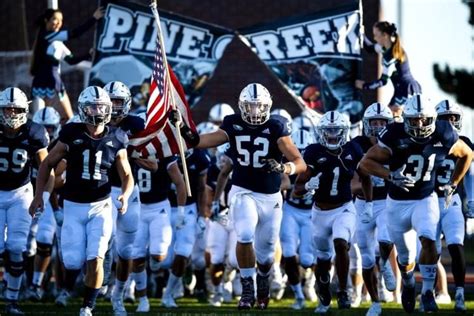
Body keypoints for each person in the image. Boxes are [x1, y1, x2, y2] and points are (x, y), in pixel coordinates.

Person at [196, 83, 306, 310]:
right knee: (244, 235)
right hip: (243, 191)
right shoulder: (232, 123)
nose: (255, 112)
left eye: (259, 107)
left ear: (268, 107)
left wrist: (285, 169)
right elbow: (203, 140)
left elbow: (299, 162)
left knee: (266, 254)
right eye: (250, 106)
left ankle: (263, 277)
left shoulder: (276, 127)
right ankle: (247, 288)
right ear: (241, 106)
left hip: (271, 196)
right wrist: (186, 132)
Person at [359, 94, 473, 313]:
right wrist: (390, 175)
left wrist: (453, 183)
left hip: (425, 198)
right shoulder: (394, 134)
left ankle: (428, 291)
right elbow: (366, 162)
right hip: (397, 202)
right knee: (405, 258)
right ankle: (409, 282)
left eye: (424, 120)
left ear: (432, 119)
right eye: (414, 120)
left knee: (430, 240)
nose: (419, 125)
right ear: (406, 119)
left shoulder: (443, 131)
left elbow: (467, 154)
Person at [30, 86, 134, 316]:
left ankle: (87, 307)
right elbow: (47, 164)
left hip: (102, 205)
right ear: (83, 108)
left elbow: (127, 175)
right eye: (93, 106)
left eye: (102, 107)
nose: (98, 111)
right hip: (73, 207)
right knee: (72, 262)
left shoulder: (117, 136)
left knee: (95, 257)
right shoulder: (71, 133)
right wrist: (39, 196)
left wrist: (125, 195)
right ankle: (71, 289)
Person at [293, 111, 373, 314]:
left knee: (341, 242)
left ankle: (344, 290)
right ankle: (323, 288)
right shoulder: (312, 151)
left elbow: (365, 177)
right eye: (327, 131)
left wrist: (369, 203)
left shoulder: (352, 149)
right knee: (322, 258)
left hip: (344, 208)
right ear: (321, 132)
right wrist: (308, 184)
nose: (331, 135)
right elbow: (297, 189)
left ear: (344, 132)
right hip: (320, 211)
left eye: (335, 131)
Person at [0, 87, 50, 315]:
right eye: (7, 109)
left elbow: (46, 168)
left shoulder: (34, 132)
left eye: (16, 109)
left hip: (21, 193)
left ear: (25, 110)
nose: (11, 114)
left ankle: (12, 299)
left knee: (17, 246)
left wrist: (42, 196)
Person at [102, 81, 144, 314]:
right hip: (102, 190)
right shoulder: (91, 121)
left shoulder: (136, 124)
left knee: (127, 251)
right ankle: (98, 283)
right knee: (103, 239)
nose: (114, 107)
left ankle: (118, 294)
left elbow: (158, 140)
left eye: (118, 101)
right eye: (111, 101)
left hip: (128, 189)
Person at [351, 102, 396, 316]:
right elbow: (351, 182)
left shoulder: (395, 142)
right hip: (362, 204)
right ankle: (375, 301)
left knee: (386, 238)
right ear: (366, 124)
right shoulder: (357, 144)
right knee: (366, 258)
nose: (378, 126)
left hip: (387, 201)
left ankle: (385, 262)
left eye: (382, 122)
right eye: (374, 122)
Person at [433, 100, 473, 312]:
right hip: (428, 201)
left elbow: (471, 173)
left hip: (452, 200)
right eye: (445, 118)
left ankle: (458, 292)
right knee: (430, 250)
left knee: (456, 245)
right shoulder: (429, 140)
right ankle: (429, 293)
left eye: (453, 117)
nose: (449, 121)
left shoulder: (464, 142)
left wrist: (472, 199)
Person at [30, 7, 104, 121]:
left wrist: (88, 55)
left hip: (51, 82)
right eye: (55, 19)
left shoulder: (56, 42)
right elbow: (74, 33)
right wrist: (94, 18)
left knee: (58, 118)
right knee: (63, 119)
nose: (59, 23)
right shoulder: (47, 35)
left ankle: (53, 137)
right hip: (49, 83)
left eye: (61, 20)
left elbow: (71, 60)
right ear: (46, 20)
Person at [280, 129, 316, 310]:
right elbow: (284, 183)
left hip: (311, 212)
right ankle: (298, 295)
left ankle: (309, 280)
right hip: (291, 210)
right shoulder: (286, 160)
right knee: (288, 252)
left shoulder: (317, 160)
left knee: (308, 259)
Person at [355, 21, 421, 119]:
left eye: (376, 35)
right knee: (390, 118)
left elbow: (383, 81)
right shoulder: (386, 48)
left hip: (406, 90)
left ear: (385, 35)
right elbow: (369, 48)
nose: (374, 38)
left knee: (391, 118)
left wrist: (365, 86)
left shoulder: (391, 56)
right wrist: (360, 32)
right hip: (404, 89)